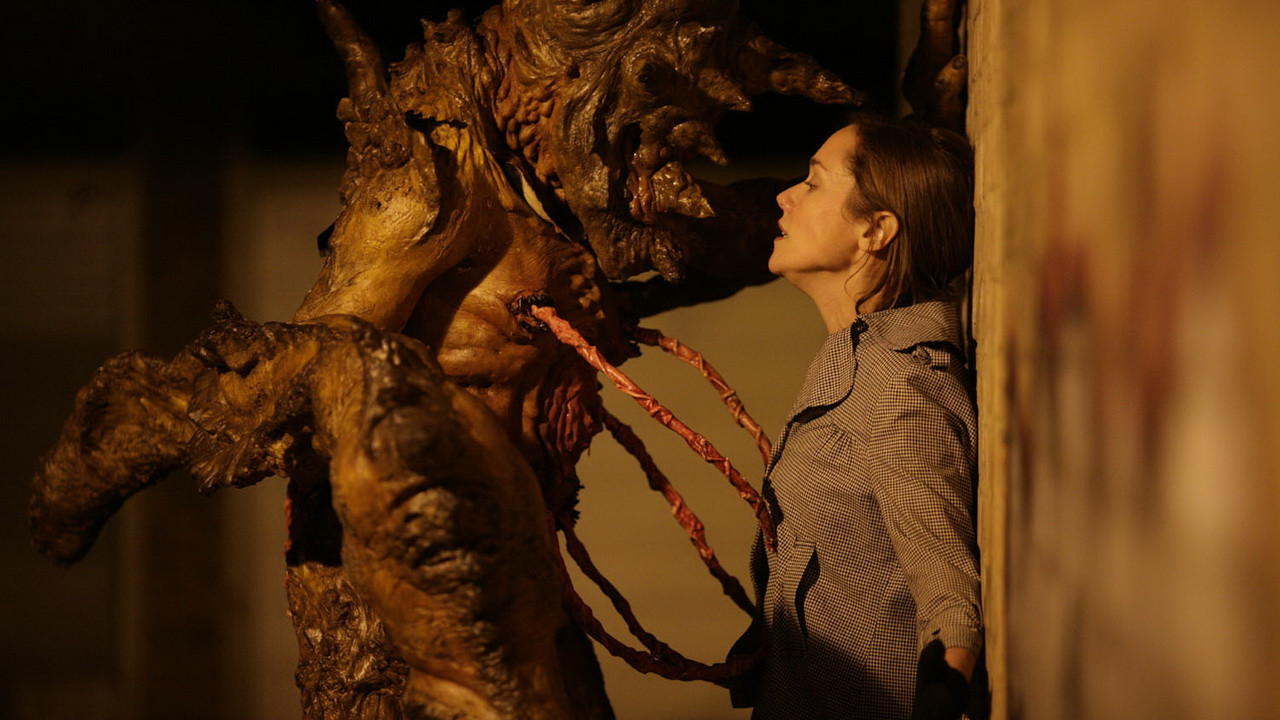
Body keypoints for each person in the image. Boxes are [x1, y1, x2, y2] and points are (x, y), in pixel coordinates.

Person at [730, 114, 984, 720]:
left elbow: (946, 584)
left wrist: (945, 682)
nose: (785, 196)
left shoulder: (897, 385)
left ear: (875, 230)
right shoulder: (856, 363)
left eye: (813, 181)